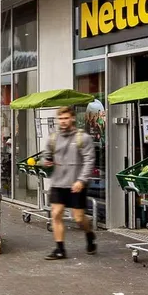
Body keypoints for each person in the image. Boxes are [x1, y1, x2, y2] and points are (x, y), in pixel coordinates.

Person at [43, 104, 97, 260]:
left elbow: (89, 160)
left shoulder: (83, 138)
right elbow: (47, 156)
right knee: (56, 214)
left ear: (72, 118)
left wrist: (81, 180)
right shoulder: (53, 138)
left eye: (66, 118)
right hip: (58, 183)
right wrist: (46, 161)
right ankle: (60, 249)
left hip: (76, 184)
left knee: (79, 218)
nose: (63, 121)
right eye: (60, 118)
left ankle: (89, 233)